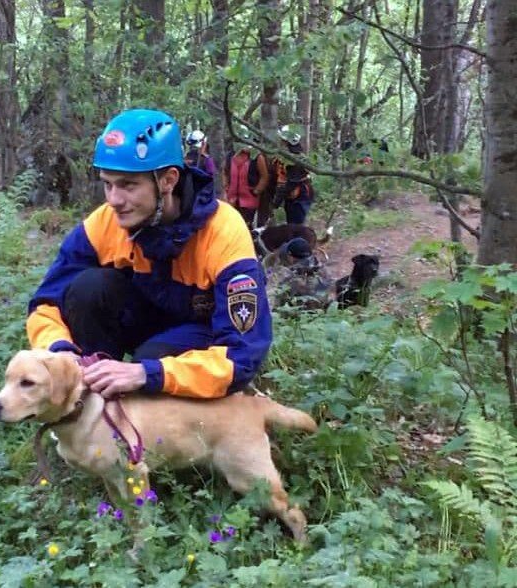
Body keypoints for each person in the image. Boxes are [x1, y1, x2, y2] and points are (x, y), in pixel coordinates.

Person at [26, 108, 272, 399]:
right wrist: (60, 351)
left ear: (168, 180)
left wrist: (149, 373)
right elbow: (46, 302)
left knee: (151, 364)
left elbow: (242, 355)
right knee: (89, 287)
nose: (114, 200)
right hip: (142, 320)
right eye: (108, 184)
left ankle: (146, 398)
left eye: (128, 185)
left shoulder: (224, 232)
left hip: (202, 335)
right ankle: (93, 396)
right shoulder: (104, 223)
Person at [270, 237, 331, 311]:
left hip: (301, 318)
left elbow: (278, 308)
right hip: (323, 315)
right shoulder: (324, 271)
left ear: (291, 256)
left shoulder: (290, 280)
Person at [270, 125, 315, 225]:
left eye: (283, 140)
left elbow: (291, 182)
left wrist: (276, 202)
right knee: (292, 223)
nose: (281, 142)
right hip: (291, 196)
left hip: (300, 196)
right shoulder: (285, 157)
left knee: (296, 225)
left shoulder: (295, 159)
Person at [222, 142, 270, 227]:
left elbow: (264, 176)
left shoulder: (257, 156)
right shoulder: (230, 155)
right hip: (231, 199)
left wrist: (256, 191)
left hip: (249, 199)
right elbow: (225, 172)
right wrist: (226, 188)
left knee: (247, 226)